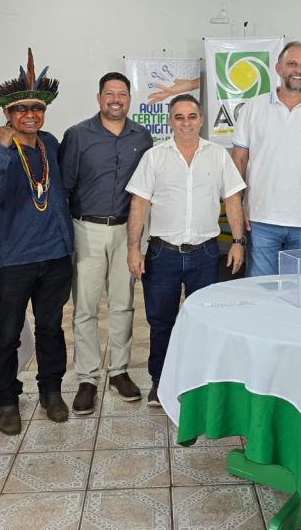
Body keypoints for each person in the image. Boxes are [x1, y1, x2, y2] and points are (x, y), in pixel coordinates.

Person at [0, 51, 74, 434]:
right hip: (15, 260)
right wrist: (1, 150)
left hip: (56, 257)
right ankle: (6, 399)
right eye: (21, 109)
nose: (30, 114)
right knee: (8, 331)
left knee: (51, 328)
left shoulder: (50, 143)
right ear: (8, 114)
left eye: (36, 107)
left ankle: (51, 391)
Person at [126, 95, 246, 406]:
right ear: (170, 121)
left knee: (203, 322)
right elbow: (138, 203)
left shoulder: (218, 155)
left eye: (192, 116)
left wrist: (238, 240)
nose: (186, 123)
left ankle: (199, 382)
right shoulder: (154, 157)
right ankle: (160, 381)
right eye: (179, 117)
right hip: (161, 254)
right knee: (161, 321)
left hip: (204, 254)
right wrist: (133, 249)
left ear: (202, 120)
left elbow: (233, 199)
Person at [60, 72, 153, 415]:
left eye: (122, 94)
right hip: (86, 228)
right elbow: (64, 188)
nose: (116, 99)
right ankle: (87, 377)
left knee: (123, 303)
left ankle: (119, 371)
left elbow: (145, 191)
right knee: (84, 307)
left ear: (130, 99)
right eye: (110, 93)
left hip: (126, 231)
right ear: (98, 97)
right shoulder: (78, 136)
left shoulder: (141, 137)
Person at [232, 41, 301, 276]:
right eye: (292, 63)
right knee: (262, 294)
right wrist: (237, 207)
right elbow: (239, 163)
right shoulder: (252, 109)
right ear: (278, 68)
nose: (298, 70)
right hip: (261, 220)